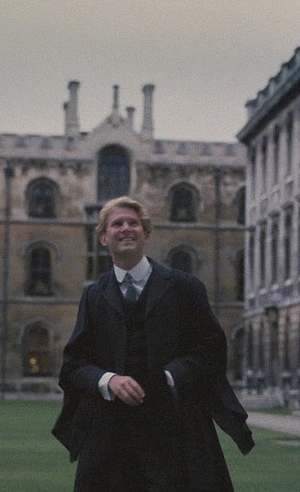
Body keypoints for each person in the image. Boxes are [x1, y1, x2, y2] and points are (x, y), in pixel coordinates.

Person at [53, 196, 254, 492]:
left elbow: (211, 349)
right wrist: (109, 381)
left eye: (133, 223)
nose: (126, 228)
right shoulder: (94, 296)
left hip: (176, 429)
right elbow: (74, 365)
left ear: (146, 233)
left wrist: (170, 376)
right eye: (117, 224)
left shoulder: (185, 288)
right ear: (103, 237)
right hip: (112, 436)